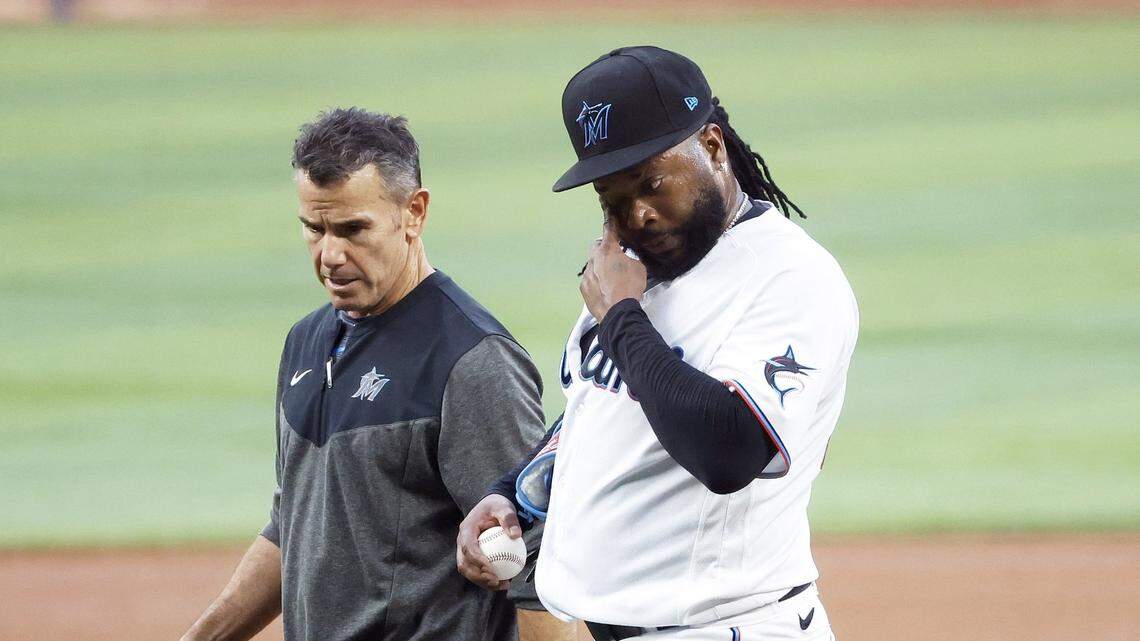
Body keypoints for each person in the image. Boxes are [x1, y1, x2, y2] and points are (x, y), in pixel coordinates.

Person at [458, 46, 858, 641]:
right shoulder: (633, 273)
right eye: (612, 198)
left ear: (713, 148)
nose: (638, 215)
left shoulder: (791, 277)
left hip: (728, 627)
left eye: (652, 183)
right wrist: (516, 492)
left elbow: (729, 451)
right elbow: (602, 410)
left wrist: (620, 317)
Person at [182, 108, 572, 641]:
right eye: (314, 229)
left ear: (414, 213)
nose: (330, 255)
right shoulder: (305, 341)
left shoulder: (470, 360)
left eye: (353, 229)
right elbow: (296, 524)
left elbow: (536, 555)